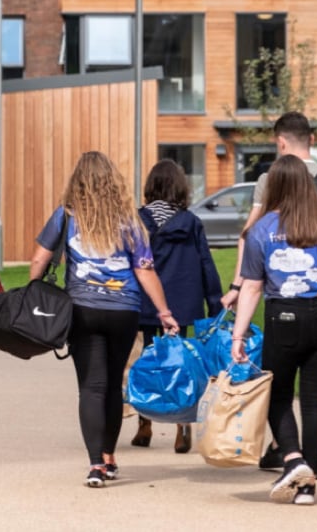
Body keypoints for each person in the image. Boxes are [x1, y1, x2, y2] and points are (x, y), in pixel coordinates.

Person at [221, 111, 317, 472]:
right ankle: (311, 467)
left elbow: (253, 284)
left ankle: (292, 460)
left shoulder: (263, 227)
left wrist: (238, 333)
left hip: (285, 318)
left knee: (278, 395)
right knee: (314, 400)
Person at [29, 151, 179, 488]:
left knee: (91, 387)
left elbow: (40, 258)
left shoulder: (66, 215)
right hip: (124, 311)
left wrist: (33, 289)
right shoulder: (129, 220)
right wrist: (164, 312)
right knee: (112, 385)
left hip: (82, 310)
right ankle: (109, 457)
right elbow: (145, 270)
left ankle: (96, 464)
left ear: (77, 181)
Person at [130, 159, 223, 454]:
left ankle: (144, 423)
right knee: (181, 360)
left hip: (146, 301)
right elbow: (206, 263)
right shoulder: (191, 222)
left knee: (147, 359)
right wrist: (215, 304)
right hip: (183, 301)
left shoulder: (137, 221)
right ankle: (182, 426)